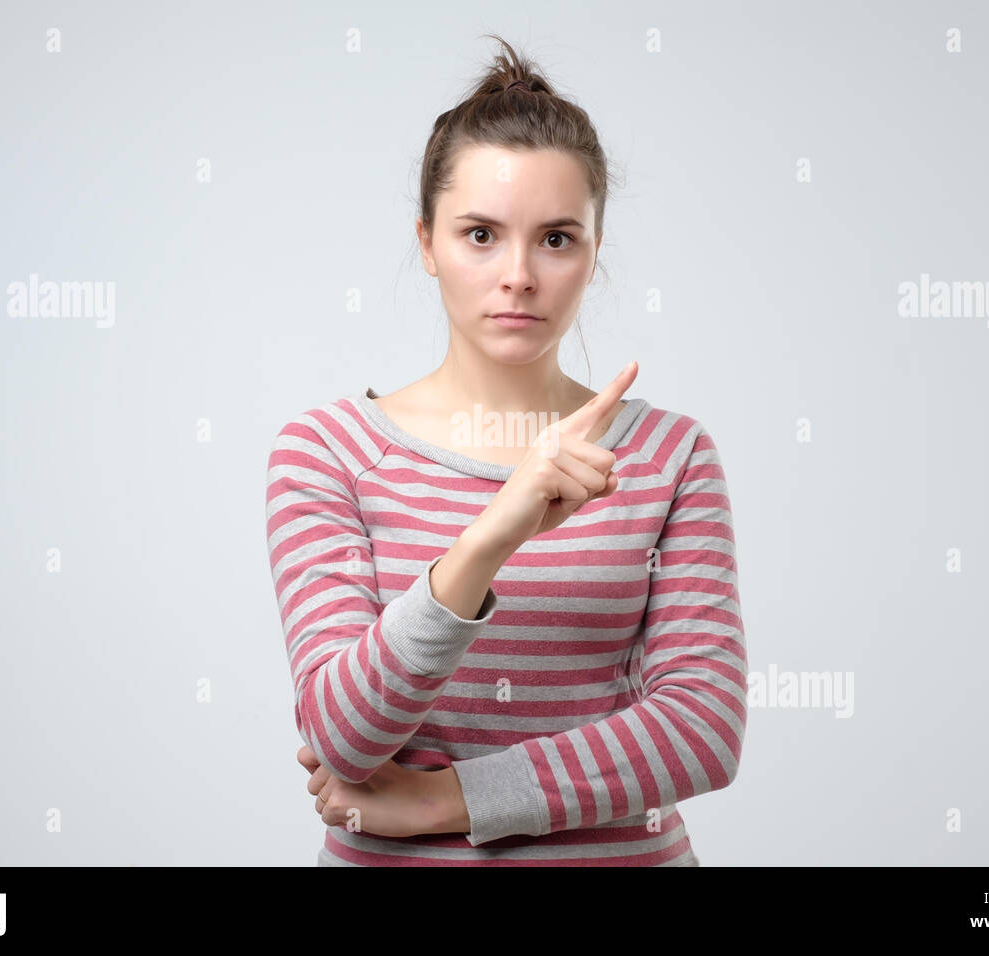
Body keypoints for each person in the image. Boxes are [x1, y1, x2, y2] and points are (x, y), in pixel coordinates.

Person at [264, 35, 747, 866]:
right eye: (481, 234)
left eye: (556, 238)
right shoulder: (327, 452)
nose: (518, 273)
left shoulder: (671, 454)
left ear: (594, 254)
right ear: (427, 243)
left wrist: (443, 802)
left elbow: (703, 727)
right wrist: (494, 532)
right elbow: (343, 737)